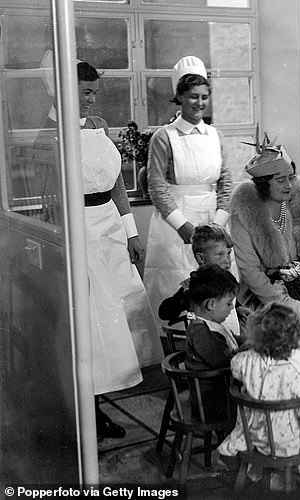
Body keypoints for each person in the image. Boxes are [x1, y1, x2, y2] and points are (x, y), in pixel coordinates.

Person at [70, 61, 163, 440]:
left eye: (94, 92)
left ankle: (102, 405)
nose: (92, 100)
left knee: (120, 314)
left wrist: (131, 233)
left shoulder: (98, 126)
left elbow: (117, 186)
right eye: (85, 92)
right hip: (81, 228)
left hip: (108, 224)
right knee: (93, 321)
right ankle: (86, 414)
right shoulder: (55, 131)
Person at [144, 55, 233, 315]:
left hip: (212, 218)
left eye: (204, 97)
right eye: (193, 96)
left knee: (217, 290)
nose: (199, 103)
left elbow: (226, 181)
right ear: (180, 97)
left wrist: (219, 224)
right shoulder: (164, 137)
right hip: (176, 223)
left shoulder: (215, 135)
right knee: (179, 284)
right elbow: (157, 186)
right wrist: (183, 227)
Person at [217, 302, 300, 485]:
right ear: (294, 340)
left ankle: (259, 469)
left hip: (256, 435)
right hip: (289, 440)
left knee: (288, 413)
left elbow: (235, 367)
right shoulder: (294, 373)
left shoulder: (246, 361)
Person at [230, 134, 300, 322]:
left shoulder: (298, 204)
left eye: (291, 178)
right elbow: (250, 271)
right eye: (280, 180)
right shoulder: (244, 213)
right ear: (264, 184)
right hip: (259, 298)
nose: (289, 186)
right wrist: (286, 302)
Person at [158, 224, 240, 335]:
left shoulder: (229, 280)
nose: (227, 261)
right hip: (207, 342)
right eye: (220, 254)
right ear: (201, 258)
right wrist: (184, 301)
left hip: (232, 337)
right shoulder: (194, 285)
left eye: (228, 254)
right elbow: (164, 312)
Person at [185, 263, 241, 423]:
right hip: (212, 402)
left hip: (222, 392)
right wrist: (247, 350)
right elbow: (222, 360)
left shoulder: (211, 322)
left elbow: (231, 340)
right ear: (210, 304)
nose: (231, 308)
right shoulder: (199, 330)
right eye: (229, 303)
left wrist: (253, 340)